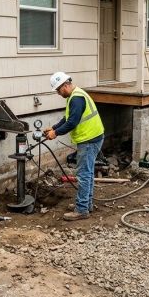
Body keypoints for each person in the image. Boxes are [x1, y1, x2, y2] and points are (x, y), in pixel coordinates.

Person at [44, 72, 105, 221]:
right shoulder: (76, 95)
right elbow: (68, 117)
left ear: (65, 85)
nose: (58, 94)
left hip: (89, 140)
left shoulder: (76, 98)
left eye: (59, 90)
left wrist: (55, 133)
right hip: (93, 137)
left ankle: (82, 209)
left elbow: (72, 122)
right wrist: (53, 127)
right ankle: (86, 204)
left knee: (84, 174)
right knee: (88, 173)